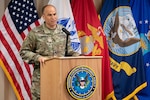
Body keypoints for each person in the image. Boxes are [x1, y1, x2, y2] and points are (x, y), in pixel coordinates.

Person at [19, 4, 80, 100]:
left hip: (61, 77)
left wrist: (79, 56)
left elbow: (69, 51)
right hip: (42, 78)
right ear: (43, 16)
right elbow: (24, 52)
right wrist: (38, 57)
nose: (53, 17)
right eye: (50, 15)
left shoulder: (64, 32)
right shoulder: (35, 32)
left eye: (55, 14)